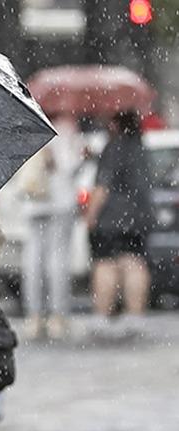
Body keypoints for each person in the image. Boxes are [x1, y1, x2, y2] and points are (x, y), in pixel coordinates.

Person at [84, 110, 154, 331]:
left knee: (106, 264)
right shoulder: (140, 147)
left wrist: (90, 216)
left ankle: (102, 316)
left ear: (115, 124)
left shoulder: (113, 147)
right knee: (134, 263)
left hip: (111, 218)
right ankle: (135, 316)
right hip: (138, 217)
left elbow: (103, 187)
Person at [19, 114, 84, 340]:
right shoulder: (66, 128)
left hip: (34, 201)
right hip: (60, 201)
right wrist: (80, 153)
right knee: (58, 259)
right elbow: (69, 167)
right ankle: (57, 316)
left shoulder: (30, 122)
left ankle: (34, 316)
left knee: (33, 258)